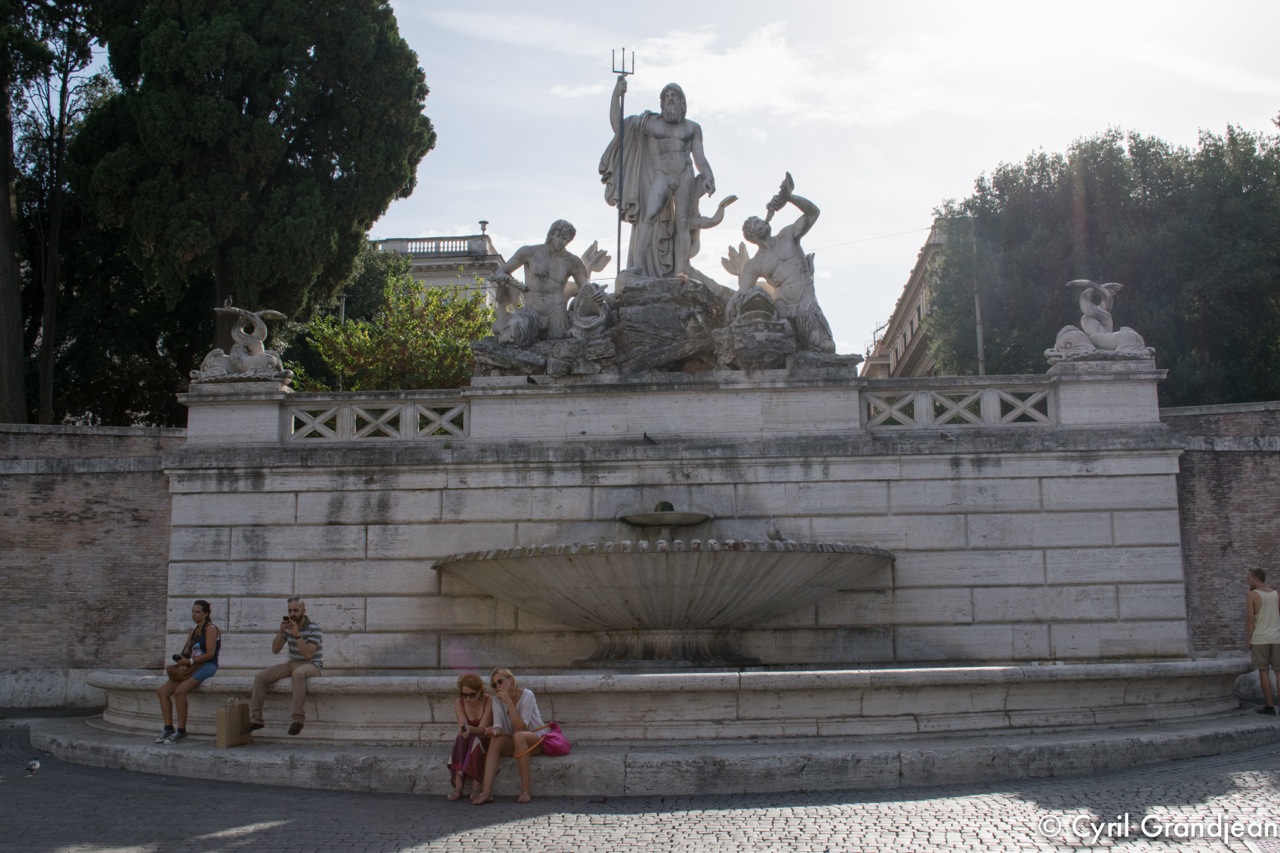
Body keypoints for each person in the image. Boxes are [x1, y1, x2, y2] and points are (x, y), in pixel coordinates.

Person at [600, 77, 716, 280]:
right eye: (667, 97)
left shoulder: (692, 127)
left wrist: (708, 174)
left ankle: (681, 271)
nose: (671, 99)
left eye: (675, 96)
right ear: (661, 103)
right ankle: (637, 265)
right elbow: (619, 126)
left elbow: (699, 157)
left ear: (682, 102)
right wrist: (616, 95)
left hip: (684, 174)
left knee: (682, 223)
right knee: (650, 216)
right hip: (661, 175)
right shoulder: (650, 123)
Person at [732, 181, 836, 353]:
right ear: (752, 236)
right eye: (756, 223)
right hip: (782, 307)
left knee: (822, 345)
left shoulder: (787, 235)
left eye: (759, 220)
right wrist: (731, 308)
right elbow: (742, 292)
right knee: (783, 350)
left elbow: (813, 213)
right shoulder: (755, 263)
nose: (761, 223)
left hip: (805, 299)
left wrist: (789, 198)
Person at [489, 220, 599, 347]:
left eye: (567, 241)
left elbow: (586, 287)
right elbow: (501, 270)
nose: (563, 243)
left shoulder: (572, 261)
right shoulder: (528, 252)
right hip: (531, 311)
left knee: (564, 347)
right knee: (511, 335)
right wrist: (503, 277)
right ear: (552, 234)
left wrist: (596, 292)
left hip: (557, 314)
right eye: (562, 238)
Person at [243, 596, 322, 736]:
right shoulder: (289, 627)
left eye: (296, 610)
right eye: (290, 610)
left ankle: (298, 720)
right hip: (292, 663)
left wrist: (297, 636)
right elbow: (275, 649)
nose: (293, 614)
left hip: (311, 665)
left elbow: (308, 655)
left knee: (297, 674)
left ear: (304, 610)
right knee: (261, 677)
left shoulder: (314, 628)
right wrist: (281, 632)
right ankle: (256, 720)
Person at [471, 668, 545, 805]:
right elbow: (499, 726)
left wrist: (509, 702)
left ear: (510, 680)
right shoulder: (496, 700)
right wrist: (492, 731)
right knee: (496, 740)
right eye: (494, 685)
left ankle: (525, 791)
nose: (498, 686)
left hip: (536, 739)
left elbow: (522, 727)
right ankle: (486, 792)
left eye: (500, 681)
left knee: (519, 736)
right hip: (515, 741)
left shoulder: (527, 695)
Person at [155, 599, 220, 744]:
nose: (195, 615)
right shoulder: (194, 631)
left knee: (180, 692)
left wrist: (189, 662)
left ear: (206, 613)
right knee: (162, 692)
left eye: (198, 612)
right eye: (193, 611)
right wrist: (183, 662)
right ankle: (168, 727)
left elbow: (210, 654)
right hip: (191, 665)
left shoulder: (211, 629)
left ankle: (182, 731)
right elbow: (186, 652)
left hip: (207, 665)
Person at [447, 673, 493, 800]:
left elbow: (483, 728)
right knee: (460, 738)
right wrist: (464, 730)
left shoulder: (488, 700)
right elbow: (463, 725)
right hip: (470, 737)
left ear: (480, 692)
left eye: (472, 694)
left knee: (476, 740)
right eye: (464, 694)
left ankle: (476, 786)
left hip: (486, 737)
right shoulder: (459, 703)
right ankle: (458, 786)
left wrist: (470, 729)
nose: (468, 698)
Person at [1246, 568, 1280, 714]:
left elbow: (1251, 620)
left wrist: (1249, 640)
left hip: (1260, 638)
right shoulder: (1276, 594)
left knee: (1264, 671)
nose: (1248, 580)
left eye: (1249, 578)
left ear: (1256, 578)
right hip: (1277, 637)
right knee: (1279, 672)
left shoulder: (1252, 595)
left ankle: (1270, 706)